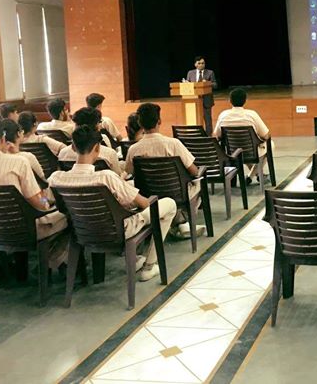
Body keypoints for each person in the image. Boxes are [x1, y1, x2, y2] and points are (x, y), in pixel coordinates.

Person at [49, 126, 177, 281]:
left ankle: (139, 259)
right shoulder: (106, 177)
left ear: (74, 147)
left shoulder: (56, 178)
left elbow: (46, 200)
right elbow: (144, 203)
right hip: (117, 231)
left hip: (80, 231)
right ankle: (149, 265)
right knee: (169, 204)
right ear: (97, 148)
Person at [0, 116, 68, 269]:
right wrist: (49, 204)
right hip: (27, 229)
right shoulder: (19, 162)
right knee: (69, 216)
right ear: (2, 138)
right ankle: (53, 261)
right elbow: (39, 202)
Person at [125, 103, 205, 239]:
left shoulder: (133, 149)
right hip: (178, 193)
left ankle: (178, 224)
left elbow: (130, 172)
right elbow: (193, 171)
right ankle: (182, 223)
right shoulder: (173, 144)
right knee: (199, 182)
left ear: (140, 123)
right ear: (159, 121)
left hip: (148, 195)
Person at [215, 88, 272, 182]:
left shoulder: (223, 115)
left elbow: (217, 135)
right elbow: (266, 136)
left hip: (231, 151)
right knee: (269, 145)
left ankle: (253, 175)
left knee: (241, 148)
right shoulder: (252, 114)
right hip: (251, 150)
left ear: (229, 100)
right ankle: (252, 176)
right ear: (245, 101)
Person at [58, 107, 122, 176]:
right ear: (97, 125)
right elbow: (118, 175)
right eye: (99, 122)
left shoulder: (63, 154)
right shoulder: (109, 153)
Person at [186, 56, 217, 135]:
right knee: (195, 118)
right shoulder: (190, 73)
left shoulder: (210, 72)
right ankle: (196, 134)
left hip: (206, 100)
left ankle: (209, 135)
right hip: (193, 100)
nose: (201, 65)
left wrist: (207, 83)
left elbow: (215, 85)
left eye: (203, 63)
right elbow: (188, 84)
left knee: (207, 119)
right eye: (199, 63)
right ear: (195, 64)